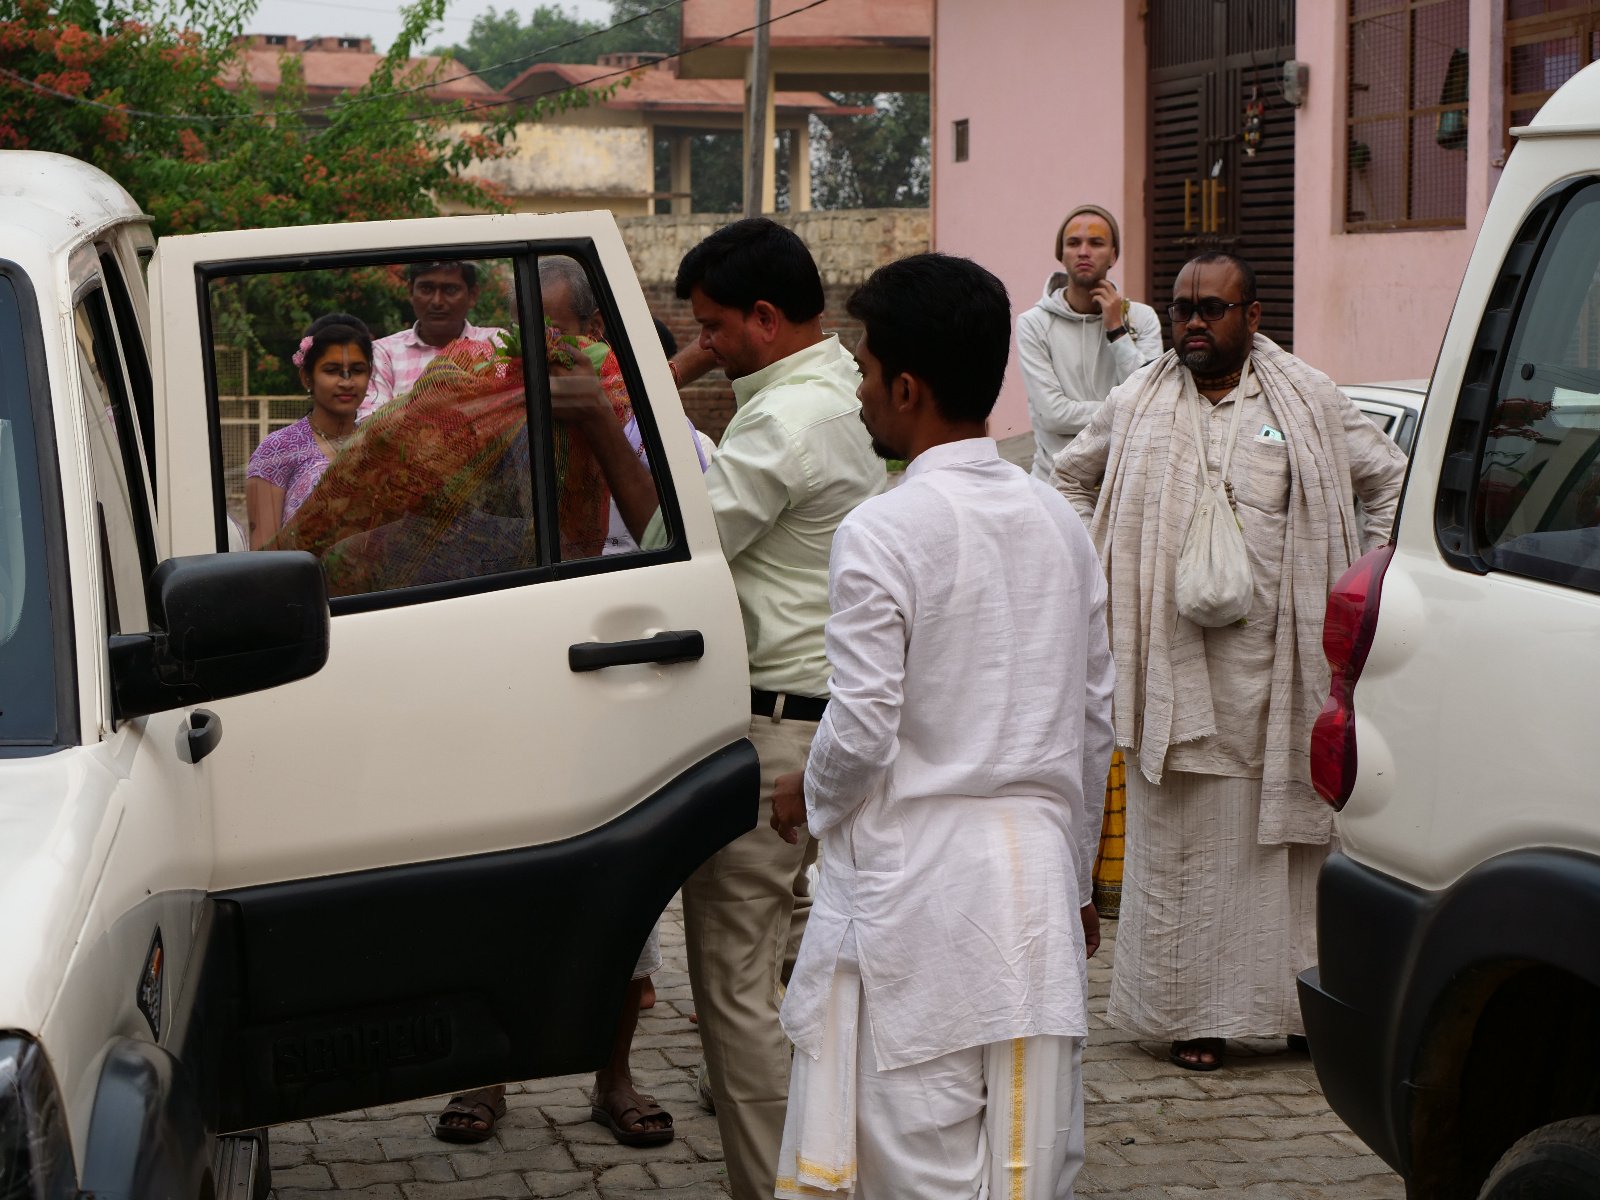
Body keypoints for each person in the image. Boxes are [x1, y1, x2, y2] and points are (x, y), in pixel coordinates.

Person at [768, 252, 1112, 1200]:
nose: (862, 391)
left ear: (907, 386)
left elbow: (865, 723)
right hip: (1035, 891)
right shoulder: (1057, 521)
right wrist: (1078, 873)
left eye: (867, 371)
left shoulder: (883, 529)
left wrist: (812, 793)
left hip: (916, 894)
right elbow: (1093, 722)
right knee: (1023, 1162)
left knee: (910, 1165)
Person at [561, 217, 883, 1198]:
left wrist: (600, 424)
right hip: (831, 720)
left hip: (773, 731)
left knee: (735, 993)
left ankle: (775, 1185)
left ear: (765, 318)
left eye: (712, 328)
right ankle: (825, 1168)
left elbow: (671, 546)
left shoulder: (782, 424)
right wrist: (700, 355)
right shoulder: (837, 393)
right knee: (802, 982)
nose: (702, 347)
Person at [1052, 251, 1407, 1071]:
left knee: (1289, 858)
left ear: (1252, 316)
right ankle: (1190, 1017)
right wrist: (1098, 572)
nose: (1193, 323)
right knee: (1182, 853)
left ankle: (1292, 1013)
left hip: (1281, 679)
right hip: (1174, 674)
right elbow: (1071, 480)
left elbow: (1388, 480)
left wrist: (1369, 582)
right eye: (1180, 309)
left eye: (1212, 309)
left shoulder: (1309, 399)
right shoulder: (1135, 398)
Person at [1016, 205, 1162, 481]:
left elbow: (1153, 403)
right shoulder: (1033, 323)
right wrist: (1127, 411)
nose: (1084, 251)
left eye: (1096, 243)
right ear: (1061, 255)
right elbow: (1052, 415)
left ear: (1113, 255)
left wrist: (1117, 331)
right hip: (1055, 483)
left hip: (1122, 484)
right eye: (1073, 243)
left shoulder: (1141, 318)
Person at [245, 313, 372, 549]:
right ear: (306, 378)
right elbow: (263, 556)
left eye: (356, 370)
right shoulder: (277, 449)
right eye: (332, 370)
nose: (346, 382)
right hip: (301, 584)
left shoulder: (379, 441)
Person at [360, 260, 506, 419]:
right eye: (426, 289)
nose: (437, 302)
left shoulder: (495, 342)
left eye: (450, 290)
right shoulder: (383, 352)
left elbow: (505, 410)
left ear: (472, 295)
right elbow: (370, 424)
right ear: (410, 292)